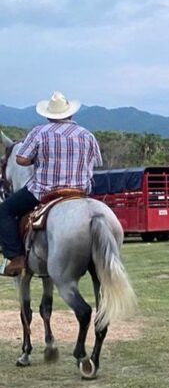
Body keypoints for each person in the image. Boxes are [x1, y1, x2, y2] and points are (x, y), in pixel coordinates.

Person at [0, 92, 102, 276]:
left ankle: (16, 258)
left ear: (48, 115)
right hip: (79, 192)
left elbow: (21, 159)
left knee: (4, 211)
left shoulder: (39, 132)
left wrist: (38, 159)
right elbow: (96, 162)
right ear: (71, 113)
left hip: (44, 191)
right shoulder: (87, 135)